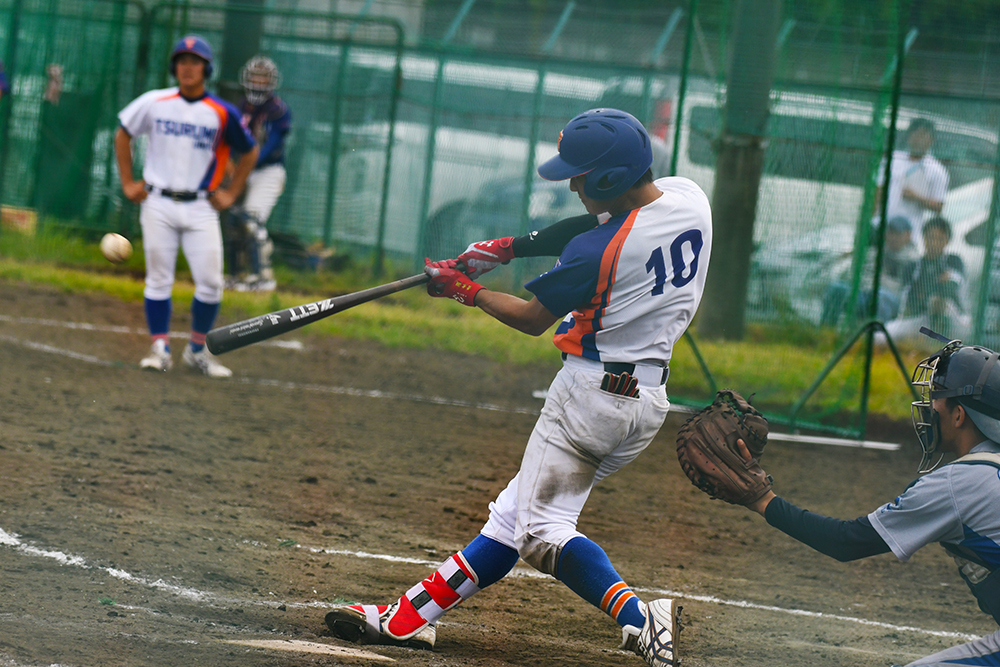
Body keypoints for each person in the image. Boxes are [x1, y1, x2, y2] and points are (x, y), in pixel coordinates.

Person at [324, 108, 713, 667]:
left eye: (581, 175)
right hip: (646, 402)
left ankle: (638, 618)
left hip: (588, 401)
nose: (574, 184)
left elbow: (533, 318)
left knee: (540, 531)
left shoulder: (598, 253)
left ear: (607, 177)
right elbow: (606, 222)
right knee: (511, 519)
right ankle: (406, 619)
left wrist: (464, 289)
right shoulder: (687, 197)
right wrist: (508, 247)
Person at [737, 336, 1000, 666]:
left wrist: (762, 499)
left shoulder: (957, 484)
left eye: (937, 399)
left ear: (959, 415)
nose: (930, 408)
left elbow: (846, 541)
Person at [114, 35, 258, 377]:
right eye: (181, 60)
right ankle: (160, 349)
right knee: (159, 279)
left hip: (200, 206)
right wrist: (127, 182)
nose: (187, 67)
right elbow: (123, 133)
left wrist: (232, 192)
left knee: (210, 282)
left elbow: (249, 150)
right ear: (174, 67)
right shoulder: (155, 101)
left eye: (195, 61)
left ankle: (196, 351)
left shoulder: (222, 112)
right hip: (158, 202)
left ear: (206, 68)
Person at [224, 55, 292, 292]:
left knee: (251, 220)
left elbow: (271, 145)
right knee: (234, 221)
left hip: (269, 172)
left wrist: (246, 165)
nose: (259, 83)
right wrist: (234, 167)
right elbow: (234, 141)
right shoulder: (241, 107)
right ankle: (236, 275)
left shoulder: (278, 110)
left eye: (264, 79)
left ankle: (263, 276)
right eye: (255, 77)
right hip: (246, 170)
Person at [820, 216, 919, 326]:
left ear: (908, 236)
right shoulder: (877, 251)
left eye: (897, 233)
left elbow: (904, 289)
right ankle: (827, 332)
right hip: (866, 293)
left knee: (880, 298)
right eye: (890, 232)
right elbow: (857, 275)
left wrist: (881, 280)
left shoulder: (913, 260)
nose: (892, 237)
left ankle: (875, 339)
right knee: (836, 289)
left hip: (890, 301)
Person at [885, 216, 968, 345]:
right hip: (923, 321)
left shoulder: (954, 261)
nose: (934, 243)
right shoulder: (913, 266)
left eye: (939, 239)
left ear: (947, 241)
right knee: (885, 333)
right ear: (923, 238)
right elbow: (910, 301)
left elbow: (951, 288)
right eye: (930, 238)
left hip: (954, 320)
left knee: (941, 302)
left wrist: (934, 290)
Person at [875, 118, 949, 237]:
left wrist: (916, 197)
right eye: (916, 134)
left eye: (924, 135)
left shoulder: (937, 170)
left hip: (907, 234)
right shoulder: (893, 158)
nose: (919, 139)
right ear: (909, 136)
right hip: (881, 225)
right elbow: (878, 189)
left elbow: (939, 206)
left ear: (931, 140)